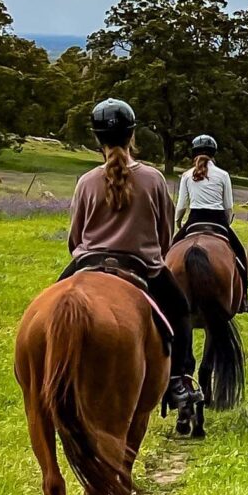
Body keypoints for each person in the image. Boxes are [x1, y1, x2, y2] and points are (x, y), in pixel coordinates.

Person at [63, 98, 202, 436]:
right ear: (132, 135)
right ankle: (179, 381)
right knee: (180, 311)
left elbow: (74, 237)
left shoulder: (86, 182)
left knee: (51, 302)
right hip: (144, 269)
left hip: (88, 264)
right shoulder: (153, 179)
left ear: (97, 139)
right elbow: (165, 235)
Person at [174, 133, 246, 284]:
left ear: (194, 153)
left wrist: (178, 222)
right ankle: (245, 295)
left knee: (169, 251)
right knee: (240, 254)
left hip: (194, 220)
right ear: (214, 153)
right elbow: (228, 207)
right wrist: (226, 224)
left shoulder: (187, 176)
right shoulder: (223, 175)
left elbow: (181, 207)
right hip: (218, 220)